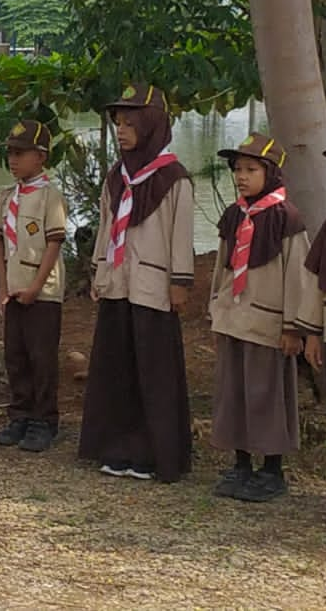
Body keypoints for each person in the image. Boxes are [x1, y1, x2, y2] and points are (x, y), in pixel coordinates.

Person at [79, 84, 194, 483]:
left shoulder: (173, 177)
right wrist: (100, 271)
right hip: (119, 283)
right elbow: (107, 228)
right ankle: (117, 445)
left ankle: (153, 451)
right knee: (118, 367)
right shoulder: (117, 177)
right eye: (117, 123)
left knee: (154, 371)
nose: (122, 131)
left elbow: (181, 235)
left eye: (130, 123)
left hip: (154, 288)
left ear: (152, 124)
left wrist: (180, 282)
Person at [208, 133, 318, 503]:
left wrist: (293, 326)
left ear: (270, 172)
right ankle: (240, 463)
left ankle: (272, 469)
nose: (242, 176)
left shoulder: (287, 218)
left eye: (251, 169)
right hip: (233, 319)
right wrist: (216, 309)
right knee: (233, 393)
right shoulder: (234, 214)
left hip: (268, 324)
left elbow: (297, 276)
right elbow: (223, 267)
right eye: (238, 169)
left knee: (266, 395)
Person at [0, 121, 69, 451]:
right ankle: (19, 414)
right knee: (16, 355)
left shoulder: (50, 197)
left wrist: (37, 285)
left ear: (41, 157)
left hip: (43, 292)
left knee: (41, 356)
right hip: (13, 288)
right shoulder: (8, 196)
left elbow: (53, 244)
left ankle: (44, 419)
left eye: (20, 153)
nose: (13, 160)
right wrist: (2, 284)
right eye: (10, 153)